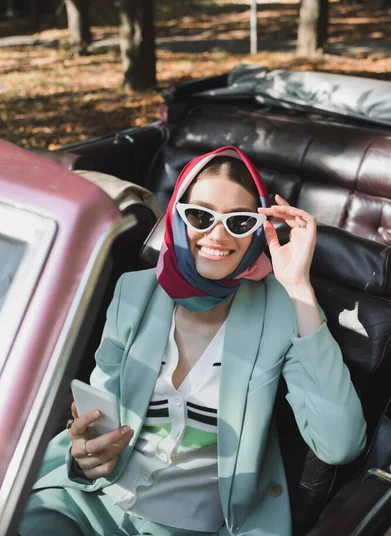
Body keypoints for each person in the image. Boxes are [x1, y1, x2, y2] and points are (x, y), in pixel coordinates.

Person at [19, 146, 366, 536]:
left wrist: (299, 286)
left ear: (257, 229)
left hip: (184, 525)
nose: (217, 235)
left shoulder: (283, 309)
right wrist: (84, 452)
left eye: (238, 222)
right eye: (200, 215)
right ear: (177, 217)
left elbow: (340, 444)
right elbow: (100, 412)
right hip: (88, 499)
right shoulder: (133, 291)